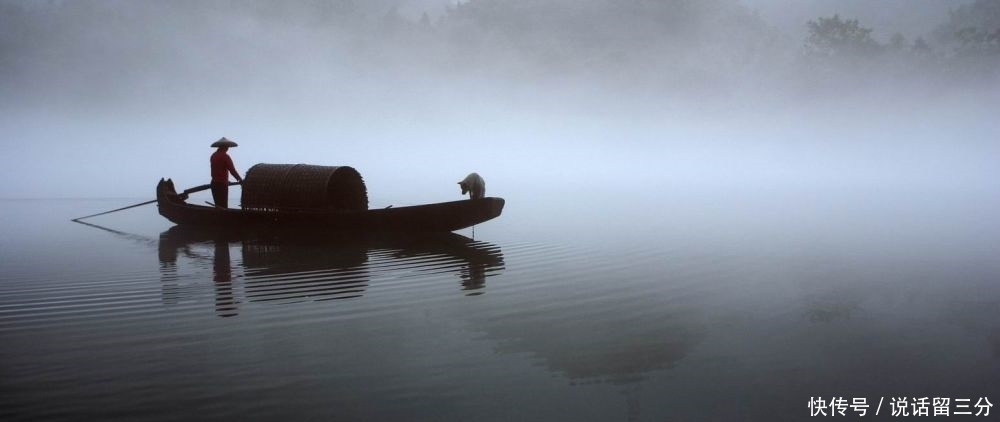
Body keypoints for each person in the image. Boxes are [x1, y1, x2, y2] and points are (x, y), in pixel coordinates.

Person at [210, 137, 243, 208]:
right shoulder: (225, 156)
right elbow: (232, 170)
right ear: (224, 147)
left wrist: (226, 180)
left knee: (218, 206)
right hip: (222, 185)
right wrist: (240, 180)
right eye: (227, 147)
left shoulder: (213, 156)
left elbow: (216, 171)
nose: (228, 148)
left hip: (214, 183)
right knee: (223, 207)